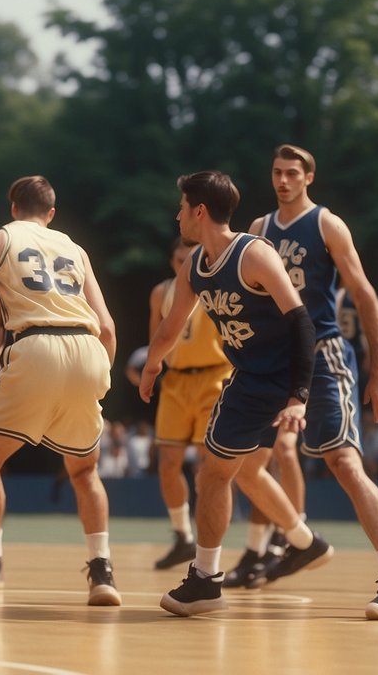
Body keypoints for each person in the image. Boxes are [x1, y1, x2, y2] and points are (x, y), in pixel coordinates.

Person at [141, 171, 355, 618]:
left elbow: (301, 321)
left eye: (182, 207)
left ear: (199, 211)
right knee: (245, 471)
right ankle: (303, 542)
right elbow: (171, 326)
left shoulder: (253, 253)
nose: (177, 215)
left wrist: (297, 395)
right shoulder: (195, 265)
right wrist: (152, 364)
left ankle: (205, 579)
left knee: (213, 474)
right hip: (255, 377)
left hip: (279, 377)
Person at [223, 145, 378, 621]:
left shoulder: (327, 224)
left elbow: (365, 296)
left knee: (344, 463)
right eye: (276, 173)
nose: (283, 180)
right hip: (273, 362)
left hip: (325, 353)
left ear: (309, 177)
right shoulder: (258, 230)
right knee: (243, 462)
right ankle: (286, 544)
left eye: (292, 173)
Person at [0, 175, 122, 606]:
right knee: (85, 472)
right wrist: (98, 375)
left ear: (12, 207)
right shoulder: (75, 248)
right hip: (88, 349)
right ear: (50, 214)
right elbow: (107, 325)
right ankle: (102, 571)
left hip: (35, 348)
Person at [145, 237, 233, 570]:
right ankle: (182, 535)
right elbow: (156, 337)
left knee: (210, 467)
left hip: (214, 375)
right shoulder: (160, 292)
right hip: (176, 379)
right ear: (172, 261)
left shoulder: (217, 284)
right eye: (180, 258)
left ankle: (209, 549)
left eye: (190, 258)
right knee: (167, 462)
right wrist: (150, 366)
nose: (185, 263)